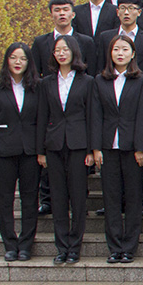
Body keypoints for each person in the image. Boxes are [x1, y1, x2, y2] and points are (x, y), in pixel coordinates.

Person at [90, 35, 143, 264]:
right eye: (116, 49)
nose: (120, 53)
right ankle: (115, 247)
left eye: (125, 49)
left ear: (133, 54)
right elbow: (95, 115)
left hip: (132, 148)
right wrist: (96, 147)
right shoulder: (100, 80)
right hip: (107, 147)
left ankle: (129, 247)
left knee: (134, 198)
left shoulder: (141, 81)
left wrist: (141, 148)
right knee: (111, 198)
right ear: (110, 53)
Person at [36, 35, 94, 264]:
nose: (61, 53)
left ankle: (75, 247)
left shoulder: (87, 81)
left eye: (65, 49)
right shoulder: (47, 83)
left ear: (74, 52)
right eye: (57, 50)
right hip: (54, 144)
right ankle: (62, 247)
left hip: (79, 145)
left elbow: (91, 116)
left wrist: (91, 149)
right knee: (58, 197)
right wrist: (41, 150)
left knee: (78, 198)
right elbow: (42, 116)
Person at [0, 42, 40, 261]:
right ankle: (10, 244)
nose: (18, 62)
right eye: (14, 57)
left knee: (30, 199)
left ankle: (26, 245)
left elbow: (41, 119)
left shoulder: (36, 86)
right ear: (7, 59)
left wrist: (41, 150)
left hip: (30, 151)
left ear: (29, 62)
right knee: (4, 199)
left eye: (23, 58)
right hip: (3, 151)